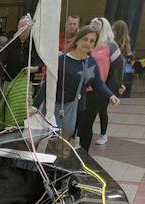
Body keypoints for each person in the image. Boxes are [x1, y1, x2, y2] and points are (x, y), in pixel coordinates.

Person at [33, 26, 119, 138]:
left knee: (68, 141)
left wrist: (110, 96)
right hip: (57, 109)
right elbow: (47, 85)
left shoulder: (91, 62)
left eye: (92, 41)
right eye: (85, 39)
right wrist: (35, 105)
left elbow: (98, 84)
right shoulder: (61, 61)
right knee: (52, 141)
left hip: (78, 109)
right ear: (77, 40)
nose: (87, 43)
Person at [78, 18, 124, 149]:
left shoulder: (111, 45)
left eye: (97, 27)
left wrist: (112, 90)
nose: (94, 29)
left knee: (86, 123)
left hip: (97, 91)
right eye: (93, 26)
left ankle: (84, 154)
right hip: (80, 88)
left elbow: (118, 68)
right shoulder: (88, 42)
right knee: (77, 122)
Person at [0, 16, 42, 86]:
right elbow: (1, 62)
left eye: (27, 28)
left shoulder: (34, 44)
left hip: (26, 82)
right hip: (10, 80)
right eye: (22, 27)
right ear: (18, 28)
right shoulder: (10, 42)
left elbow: (42, 62)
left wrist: (36, 68)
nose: (24, 30)